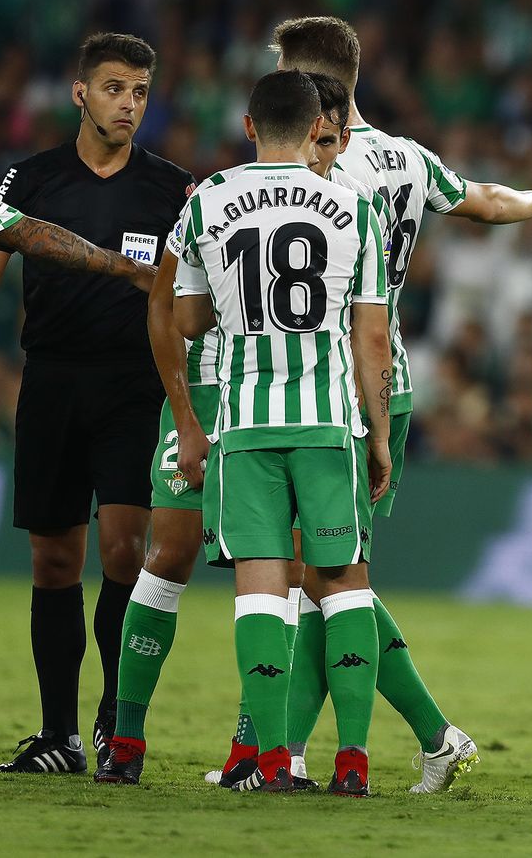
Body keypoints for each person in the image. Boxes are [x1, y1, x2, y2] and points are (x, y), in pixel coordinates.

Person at [269, 15, 532, 793]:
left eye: (283, 74)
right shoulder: (407, 157)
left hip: (338, 383)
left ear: (313, 85)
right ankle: (296, 752)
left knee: (328, 577)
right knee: (323, 577)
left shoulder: (316, 167)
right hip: (384, 380)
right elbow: (475, 196)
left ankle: (419, 735)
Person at [0, 33, 190, 776]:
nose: (129, 104)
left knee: (121, 552)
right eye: (115, 88)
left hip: (131, 386)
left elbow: (187, 300)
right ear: (80, 93)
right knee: (52, 561)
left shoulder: (172, 188)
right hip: (49, 381)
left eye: (141, 91)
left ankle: (118, 720)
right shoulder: (29, 178)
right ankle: (58, 735)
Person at [95, 73, 357, 787]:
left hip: (285, 405)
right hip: (212, 396)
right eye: (323, 137)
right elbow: (164, 308)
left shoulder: (330, 202)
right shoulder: (214, 200)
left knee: (288, 570)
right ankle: (125, 736)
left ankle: (251, 747)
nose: (330, 150)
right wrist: (182, 414)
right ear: (305, 131)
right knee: (171, 551)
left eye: (338, 141)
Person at [172, 69, 393, 795]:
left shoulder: (207, 200)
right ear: (314, 129)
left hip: (245, 425)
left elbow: (187, 320)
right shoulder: (352, 206)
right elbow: (371, 336)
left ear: (247, 126)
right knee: (345, 585)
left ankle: (270, 763)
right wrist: (380, 435)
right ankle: (353, 762)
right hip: (328, 422)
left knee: (260, 591)